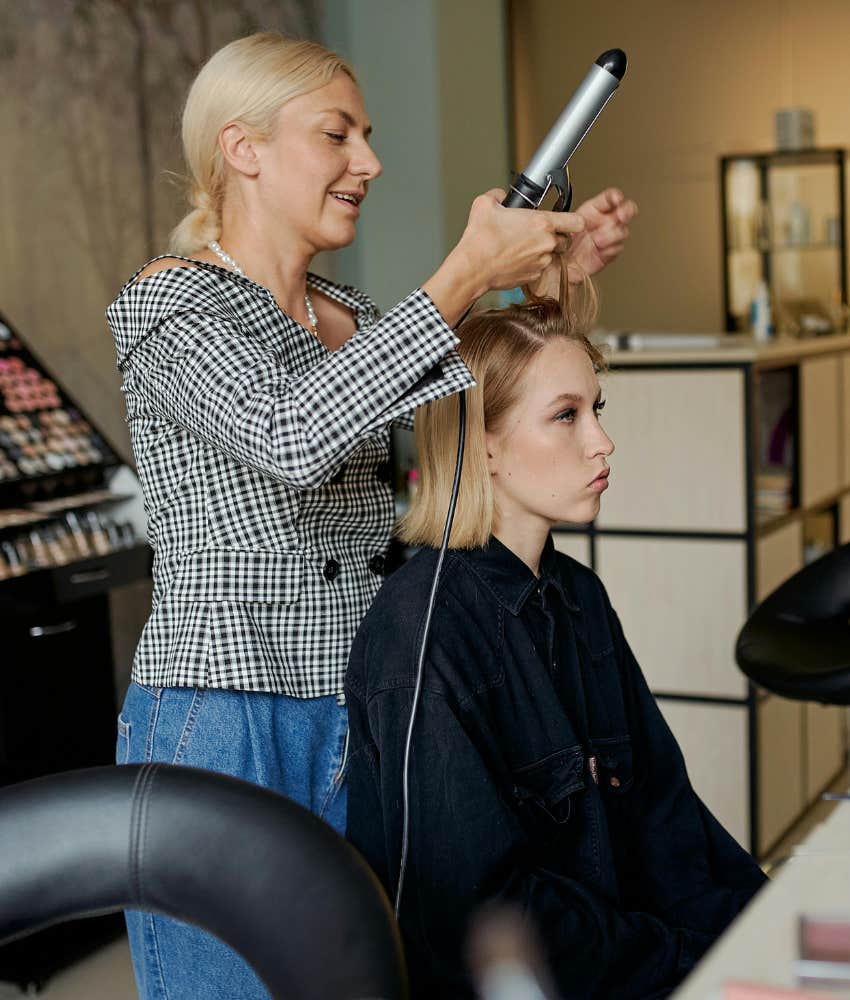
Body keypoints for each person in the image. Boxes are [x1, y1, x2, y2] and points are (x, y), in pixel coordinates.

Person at [106, 29, 636, 1000]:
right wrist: (466, 272)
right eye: (337, 134)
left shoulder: (347, 313)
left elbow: (465, 440)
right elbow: (291, 433)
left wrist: (546, 279)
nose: (370, 162)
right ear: (243, 148)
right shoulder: (171, 309)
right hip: (228, 717)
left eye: (369, 135)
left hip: (369, 706)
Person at [344, 274, 767, 998]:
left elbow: (666, 818)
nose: (604, 441)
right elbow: (485, 916)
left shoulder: (578, 598)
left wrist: (764, 932)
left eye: (595, 409)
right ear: (485, 448)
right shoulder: (422, 638)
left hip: (629, 963)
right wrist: (686, 960)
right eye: (566, 416)